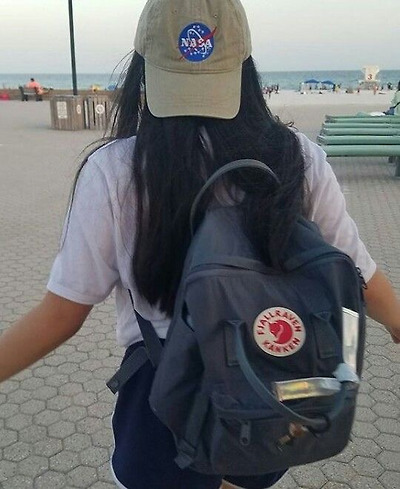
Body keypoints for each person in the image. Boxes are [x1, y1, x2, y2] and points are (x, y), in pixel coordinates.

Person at [1, 1, 400, 488]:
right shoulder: (298, 158)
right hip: (267, 389)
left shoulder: (115, 170)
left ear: (141, 69)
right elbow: (357, 274)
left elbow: (62, 314)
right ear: (246, 68)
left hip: (161, 402)